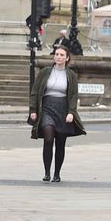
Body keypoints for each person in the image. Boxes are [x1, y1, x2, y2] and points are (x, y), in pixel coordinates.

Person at [28, 43, 86, 182]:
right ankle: (47, 172)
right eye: (57, 55)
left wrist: (71, 112)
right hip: (47, 108)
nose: (58, 57)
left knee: (60, 142)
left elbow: (73, 95)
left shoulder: (71, 75)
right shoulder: (45, 72)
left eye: (62, 55)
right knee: (48, 138)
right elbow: (35, 91)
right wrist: (33, 110)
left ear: (67, 58)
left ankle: (57, 173)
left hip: (63, 109)